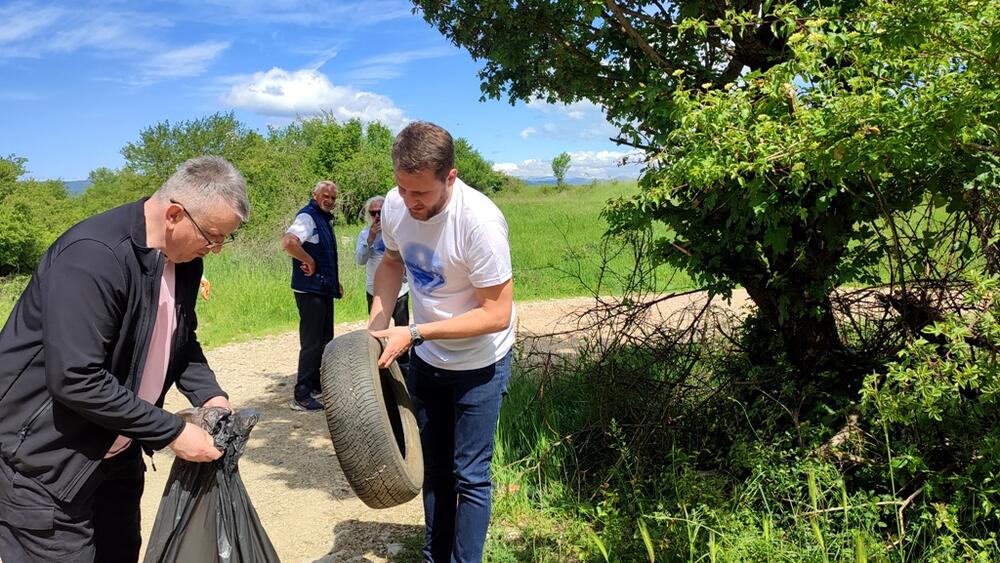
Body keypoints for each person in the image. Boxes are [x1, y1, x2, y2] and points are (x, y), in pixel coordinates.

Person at [0, 156, 248, 562]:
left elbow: (180, 342)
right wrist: (171, 431)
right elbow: (76, 377)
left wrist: (211, 398)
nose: (216, 249)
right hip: (46, 466)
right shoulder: (93, 257)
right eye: (212, 236)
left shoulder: (183, 261)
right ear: (173, 214)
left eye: (224, 239)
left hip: (116, 453)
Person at [368, 121, 516, 563]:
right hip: (429, 360)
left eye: (422, 194)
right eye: (403, 189)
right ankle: (435, 557)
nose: (410, 203)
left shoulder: (480, 223)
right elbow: (393, 263)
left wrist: (413, 332)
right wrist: (377, 328)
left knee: (469, 475)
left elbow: (496, 313)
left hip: (480, 364)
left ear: (449, 177)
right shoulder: (396, 205)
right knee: (435, 470)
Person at [281, 180, 343, 412]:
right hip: (309, 290)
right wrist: (307, 260)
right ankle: (302, 394)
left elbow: (325, 255)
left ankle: (316, 384)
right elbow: (288, 242)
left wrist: (335, 283)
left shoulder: (324, 219)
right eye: (325, 196)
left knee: (325, 340)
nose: (329, 200)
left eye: (333, 197)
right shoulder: (307, 217)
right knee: (312, 342)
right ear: (314, 195)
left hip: (323, 287)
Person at [354, 195, 409, 345]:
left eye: (381, 211)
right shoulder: (365, 234)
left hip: (400, 289)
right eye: (373, 213)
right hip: (374, 290)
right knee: (376, 333)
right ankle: (380, 361)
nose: (377, 216)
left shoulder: (398, 231)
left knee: (402, 329)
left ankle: (403, 364)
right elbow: (360, 261)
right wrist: (370, 239)